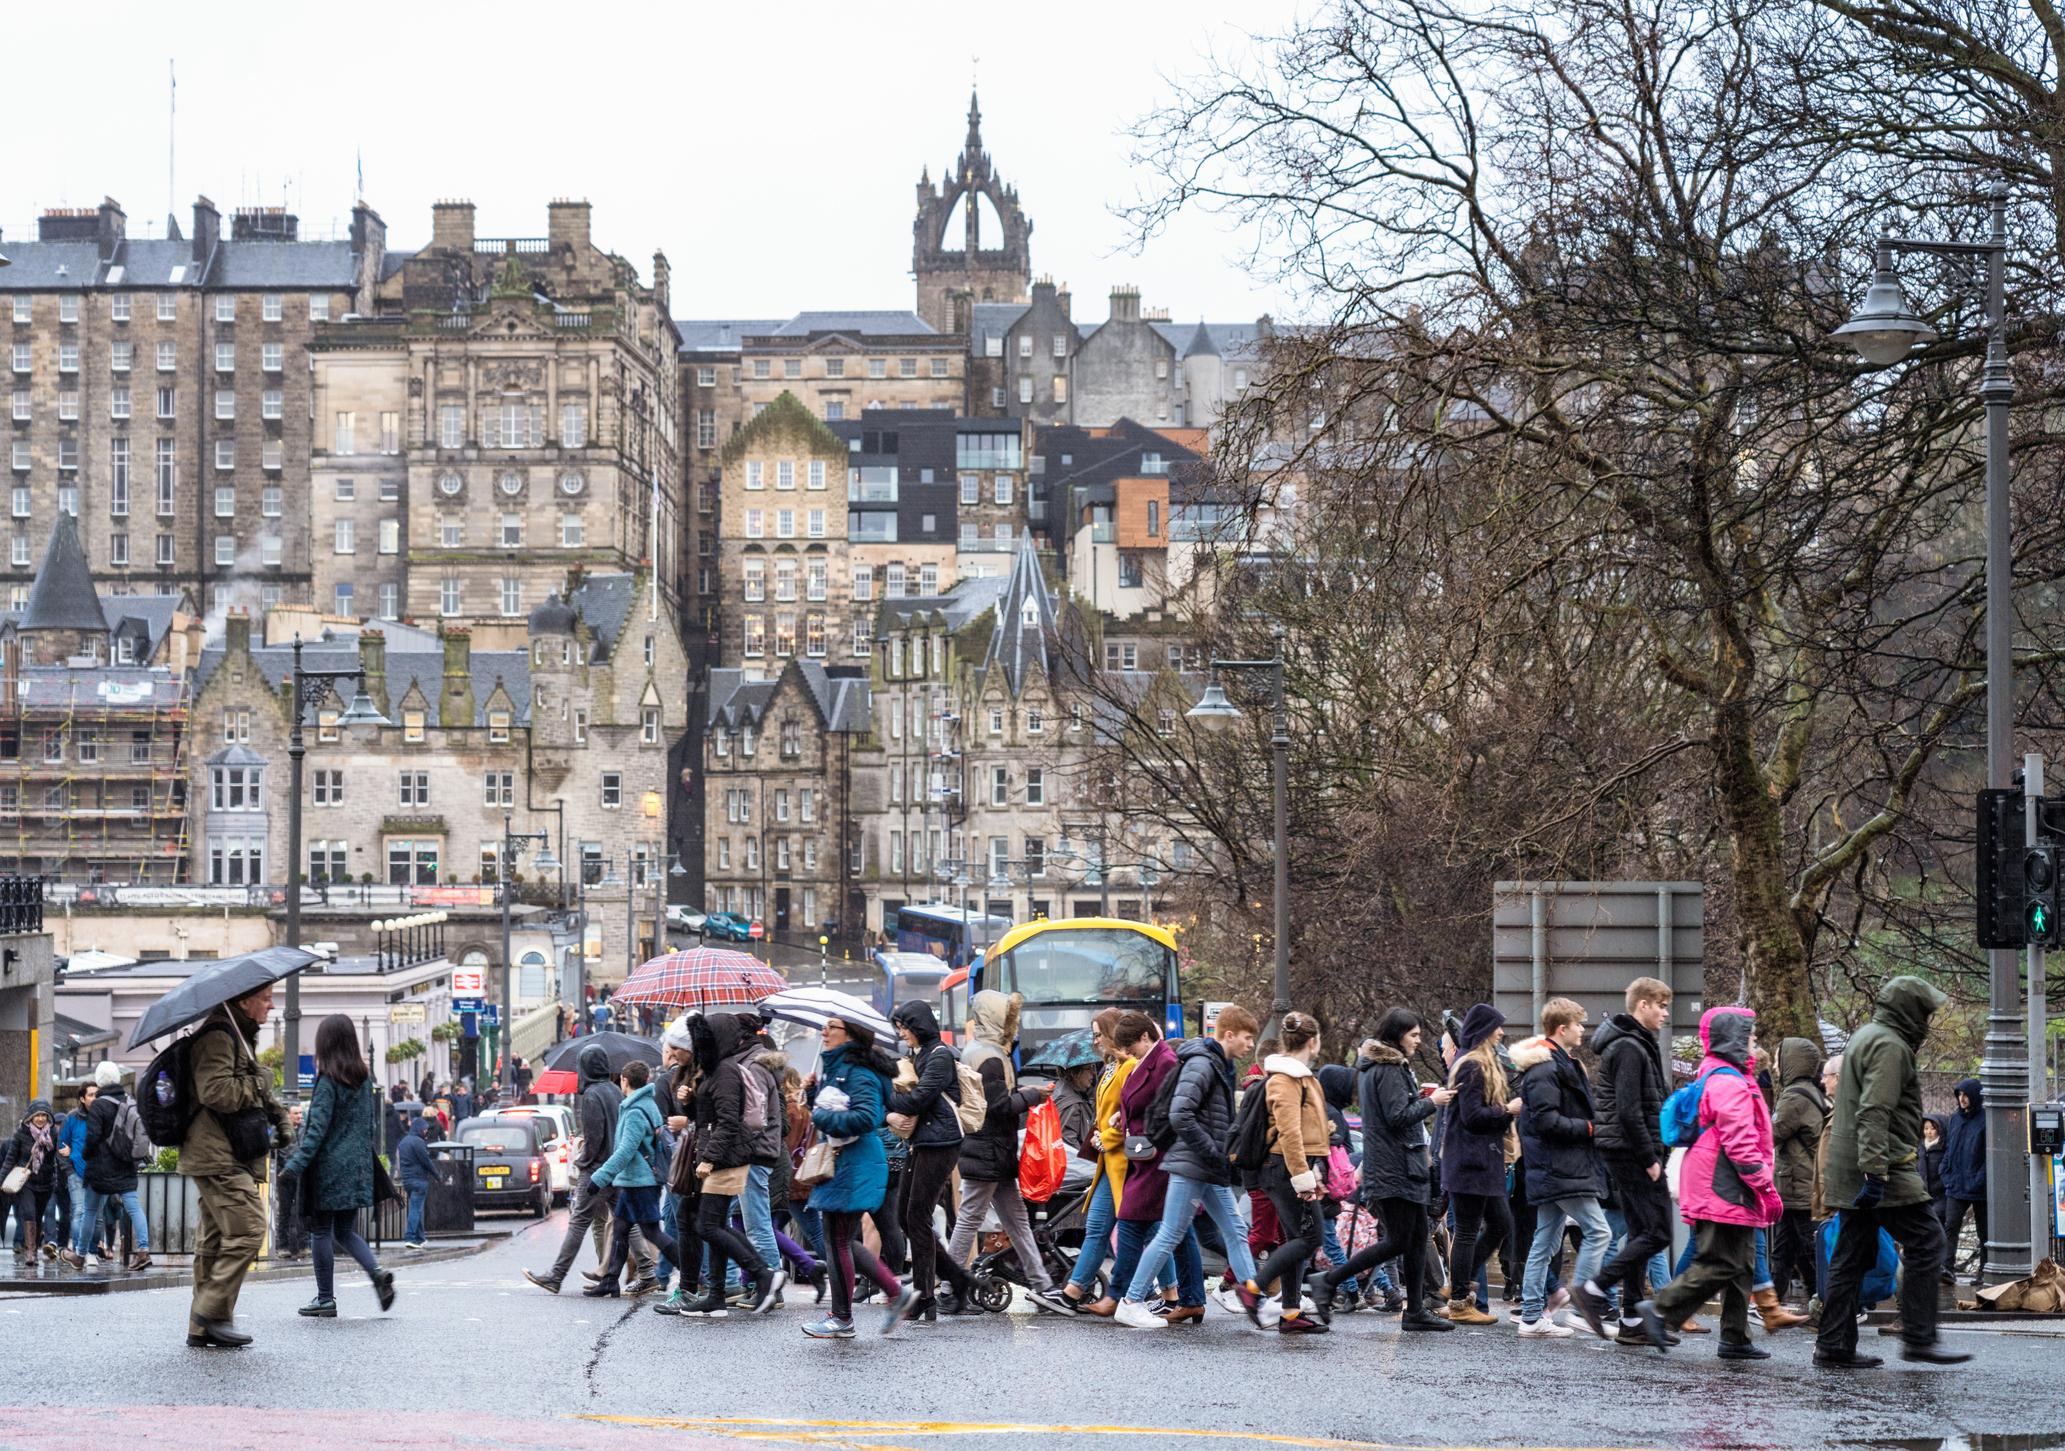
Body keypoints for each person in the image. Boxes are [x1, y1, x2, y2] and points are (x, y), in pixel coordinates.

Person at [1815, 976, 1971, 1368]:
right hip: (1882, 1165)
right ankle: (1919, 1338)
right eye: (1926, 1012)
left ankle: (1834, 1345)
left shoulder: (1867, 1035)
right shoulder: (1891, 1045)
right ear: (1911, 1011)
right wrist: (1875, 1173)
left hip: (1852, 1164)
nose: (1929, 1021)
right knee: (1928, 1240)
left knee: (1851, 1254)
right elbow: (1875, 1110)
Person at [1642, 1007, 1782, 1359]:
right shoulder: (1728, 1081)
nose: (1753, 1043)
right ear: (1735, 1040)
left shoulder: (1724, 1076)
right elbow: (1739, 1140)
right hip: (1724, 1183)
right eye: (1749, 1036)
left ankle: (1735, 1337)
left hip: (1722, 1180)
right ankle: (1661, 1310)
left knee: (1742, 1260)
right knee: (1723, 1261)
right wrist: (1763, 1183)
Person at [1318, 1009, 1456, 1332]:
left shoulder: (1376, 1067)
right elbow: (1397, 1116)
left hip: (1398, 1165)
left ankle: (1416, 1310)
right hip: (1395, 1167)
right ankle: (1330, 1281)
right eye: (1414, 1035)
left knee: (1418, 1234)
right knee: (1398, 1240)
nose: (1419, 1042)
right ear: (1397, 1036)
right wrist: (1432, 1102)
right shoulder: (1389, 1068)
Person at [943, 990, 1072, 1314]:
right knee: (972, 1219)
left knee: (1015, 1222)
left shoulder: (976, 1050)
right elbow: (998, 1106)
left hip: (987, 1150)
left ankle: (1042, 1284)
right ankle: (948, 1286)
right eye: (1008, 1018)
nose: (1012, 1025)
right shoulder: (990, 1058)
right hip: (989, 1149)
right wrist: (1032, 1095)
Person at [183, 983, 293, 1348]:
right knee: (249, 1229)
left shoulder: (238, 1035)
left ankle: (204, 1328)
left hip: (224, 1150)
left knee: (214, 1239)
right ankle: (209, 1311)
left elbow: (252, 1087)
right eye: (266, 998)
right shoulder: (218, 1036)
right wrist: (259, 1081)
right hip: (216, 1153)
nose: (272, 1005)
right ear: (244, 1001)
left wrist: (280, 1119)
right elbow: (216, 1092)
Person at [279, 1015, 395, 1318]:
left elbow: (316, 1130)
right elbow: (368, 1126)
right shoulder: (364, 1079)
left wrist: (294, 1164)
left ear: (325, 1043)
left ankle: (325, 1298)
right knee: (345, 1230)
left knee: (320, 1230)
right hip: (358, 1167)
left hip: (329, 1168)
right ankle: (377, 1272)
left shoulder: (328, 1081)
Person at [1578, 978, 1674, 1345]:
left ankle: (1633, 1318)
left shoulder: (1632, 1044)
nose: (1665, 1013)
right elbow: (1629, 1110)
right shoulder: (1630, 1048)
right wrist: (1649, 1158)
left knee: (1639, 1231)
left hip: (1625, 1150)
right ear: (1643, 1005)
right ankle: (1594, 1288)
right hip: (1633, 1152)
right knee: (1658, 1231)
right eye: (1661, 1005)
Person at [805, 1015, 913, 1338]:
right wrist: (814, 1096)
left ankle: (842, 1317)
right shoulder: (842, 1067)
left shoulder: (859, 1071)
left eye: (831, 1027)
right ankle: (895, 1292)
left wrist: (820, 1115)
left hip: (855, 1163)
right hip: (847, 1163)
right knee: (841, 1239)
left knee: (837, 1240)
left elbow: (867, 1117)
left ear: (850, 1034)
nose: (824, 1032)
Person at [1511, 998, 1612, 1338]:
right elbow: (1545, 1121)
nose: (1584, 1030)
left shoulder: (1555, 1064)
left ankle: (1530, 1317)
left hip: (1554, 1168)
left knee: (1545, 1242)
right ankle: (1584, 1300)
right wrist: (1587, 1128)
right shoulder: (1546, 1069)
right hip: (1560, 1168)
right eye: (1579, 1024)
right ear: (1562, 1029)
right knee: (1600, 1232)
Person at [527, 1044, 656, 1295]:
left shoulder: (592, 1096)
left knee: (578, 1223)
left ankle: (556, 1276)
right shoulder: (615, 1091)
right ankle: (649, 1272)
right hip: (616, 1169)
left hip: (597, 1170)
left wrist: (584, 1161)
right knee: (628, 1221)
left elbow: (594, 1138)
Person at [680, 1012, 782, 1315]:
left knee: (709, 1225)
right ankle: (717, 1295)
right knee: (711, 1223)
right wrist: (689, 1103)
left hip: (725, 1160)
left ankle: (763, 1275)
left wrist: (709, 1158)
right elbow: (708, 1119)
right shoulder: (715, 1071)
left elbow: (728, 1122)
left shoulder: (725, 1072)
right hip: (718, 1158)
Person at [1108, 1011, 1206, 1327]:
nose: (1126, 1053)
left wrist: (1133, 1124)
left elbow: (1168, 1109)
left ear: (1145, 1037)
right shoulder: (1154, 1060)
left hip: (1157, 1155)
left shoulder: (1164, 1062)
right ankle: (1189, 1298)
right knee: (1177, 1228)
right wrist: (1121, 1119)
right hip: (1149, 1153)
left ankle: (1124, 1296)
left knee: (1133, 1221)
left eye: (1129, 1046)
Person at [1239, 1011, 1332, 1335]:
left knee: (1297, 1238)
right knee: (1310, 1237)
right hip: (1285, 1167)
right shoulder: (1286, 1079)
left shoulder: (1301, 1077)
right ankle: (1253, 1288)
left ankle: (1291, 1313)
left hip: (1292, 1166)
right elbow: (1289, 1133)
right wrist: (1303, 1177)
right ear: (1313, 1040)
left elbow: (1302, 1129)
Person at [887, 999, 972, 1324]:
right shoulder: (919, 1055)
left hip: (942, 1142)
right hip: (924, 1141)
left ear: (918, 1025)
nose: (902, 1034)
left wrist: (889, 1101)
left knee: (917, 1216)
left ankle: (925, 1296)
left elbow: (918, 1098)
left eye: (905, 1027)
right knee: (906, 1217)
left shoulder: (939, 1056)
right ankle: (958, 1278)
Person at [1441, 1003, 1520, 1325]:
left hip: (1480, 1161)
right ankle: (1459, 1299)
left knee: (1500, 1224)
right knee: (1469, 1230)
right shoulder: (1473, 1066)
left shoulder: (1480, 1063)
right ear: (1485, 1031)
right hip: (1470, 1161)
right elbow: (1472, 1117)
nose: (1501, 1033)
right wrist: (1507, 1111)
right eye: (1497, 1027)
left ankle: (1457, 1285)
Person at [586, 1062, 686, 1303]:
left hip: (640, 1182)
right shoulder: (646, 1105)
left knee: (652, 1232)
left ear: (624, 1080)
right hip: (636, 1181)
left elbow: (625, 1151)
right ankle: (610, 1281)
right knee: (620, 1228)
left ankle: (693, 1272)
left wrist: (599, 1178)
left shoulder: (634, 1111)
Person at [1061, 1009, 1131, 1314]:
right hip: (1108, 1160)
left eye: (1099, 1033)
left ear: (1113, 1033)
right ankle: (1072, 1291)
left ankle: (1166, 1294)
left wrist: (1108, 1137)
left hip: (1124, 1161)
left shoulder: (1128, 1067)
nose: (1095, 1040)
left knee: (1149, 1231)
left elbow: (1130, 1115)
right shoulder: (1111, 1067)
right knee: (1097, 1226)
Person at [72, 1062, 152, 1272]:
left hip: (100, 1166)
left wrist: (86, 1154)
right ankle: (143, 1251)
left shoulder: (99, 1104)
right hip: (125, 1164)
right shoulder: (129, 1100)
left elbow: (93, 1136)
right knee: (134, 1207)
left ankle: (80, 1255)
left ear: (99, 1080)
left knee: (89, 1211)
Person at [1770, 1036, 1828, 1308]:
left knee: (1805, 1249)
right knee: (1791, 1249)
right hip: (1801, 1186)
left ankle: (1826, 1303)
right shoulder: (1812, 1092)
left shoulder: (1793, 1097)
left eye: (1778, 1058)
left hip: (1797, 1186)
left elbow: (1771, 1134)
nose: (1774, 1065)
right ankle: (1774, 1304)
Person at [1939, 1077, 1986, 1288]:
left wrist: (1979, 1179)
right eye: (1959, 1095)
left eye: (1966, 1095)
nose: (1962, 1099)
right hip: (1956, 1184)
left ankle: (1984, 1270)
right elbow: (1949, 1148)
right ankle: (1946, 1268)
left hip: (1978, 1186)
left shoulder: (1986, 1119)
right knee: (1950, 1226)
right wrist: (1945, 1172)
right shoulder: (1954, 1119)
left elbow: (1988, 1155)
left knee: (1984, 1230)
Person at [1, 1099, 62, 1261]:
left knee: (38, 1215)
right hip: (26, 1181)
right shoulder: (21, 1133)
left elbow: (59, 1157)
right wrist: (1, 1179)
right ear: (31, 1117)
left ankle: (34, 1246)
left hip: (46, 1182)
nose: (41, 1119)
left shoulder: (54, 1133)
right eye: (37, 1115)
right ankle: (31, 1252)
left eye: (44, 1115)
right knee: (28, 1213)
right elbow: (10, 1158)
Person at [56, 1083, 95, 1257]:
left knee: (96, 1215)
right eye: (91, 1095)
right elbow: (61, 1147)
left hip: (97, 1172)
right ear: (82, 1098)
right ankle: (80, 1251)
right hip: (76, 1172)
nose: (95, 1098)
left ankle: (92, 1250)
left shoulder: (102, 1115)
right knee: (79, 1210)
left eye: (97, 1095)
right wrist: (69, 1171)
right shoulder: (71, 1118)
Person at [395, 1109, 438, 1249]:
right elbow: (426, 1161)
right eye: (425, 1129)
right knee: (416, 1209)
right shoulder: (418, 1142)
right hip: (419, 1180)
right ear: (419, 1129)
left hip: (407, 1181)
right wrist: (437, 1176)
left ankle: (420, 1238)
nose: (426, 1132)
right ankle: (410, 1237)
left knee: (416, 1208)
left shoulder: (403, 1142)